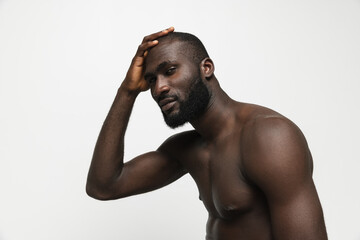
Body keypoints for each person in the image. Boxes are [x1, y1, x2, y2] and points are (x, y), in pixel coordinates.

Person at [86, 27, 327, 240]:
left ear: (206, 68)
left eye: (170, 71)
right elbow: (104, 186)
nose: (159, 88)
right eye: (151, 81)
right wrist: (127, 91)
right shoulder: (186, 149)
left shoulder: (269, 136)